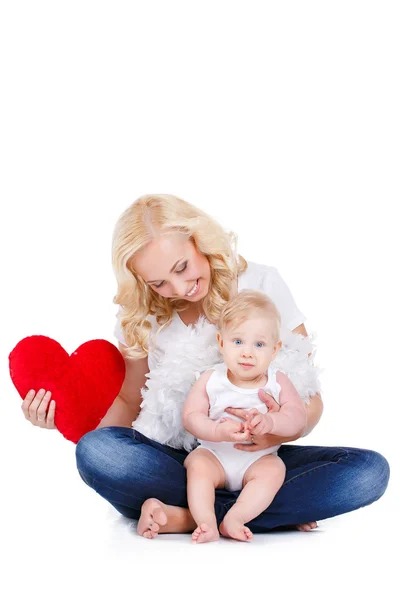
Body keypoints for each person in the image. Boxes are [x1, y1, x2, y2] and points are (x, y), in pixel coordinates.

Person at [21, 194, 390, 539]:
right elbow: (129, 402)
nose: (181, 287)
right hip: (186, 460)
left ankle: (186, 517)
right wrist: (69, 421)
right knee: (97, 453)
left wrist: (275, 431)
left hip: (262, 458)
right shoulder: (143, 315)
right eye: (159, 282)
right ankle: (253, 514)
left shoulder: (261, 283)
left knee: (368, 473)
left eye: (182, 267)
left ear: (199, 238)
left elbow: (310, 399)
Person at [182, 290, 308, 543]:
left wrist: (272, 422)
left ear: (274, 350)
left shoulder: (277, 381)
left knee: (274, 470)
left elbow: (297, 417)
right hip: (215, 455)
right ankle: (206, 521)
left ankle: (235, 518)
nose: (247, 352)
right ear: (221, 342)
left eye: (259, 344)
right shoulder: (211, 379)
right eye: (238, 342)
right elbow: (191, 416)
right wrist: (217, 431)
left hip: (257, 460)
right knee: (197, 464)